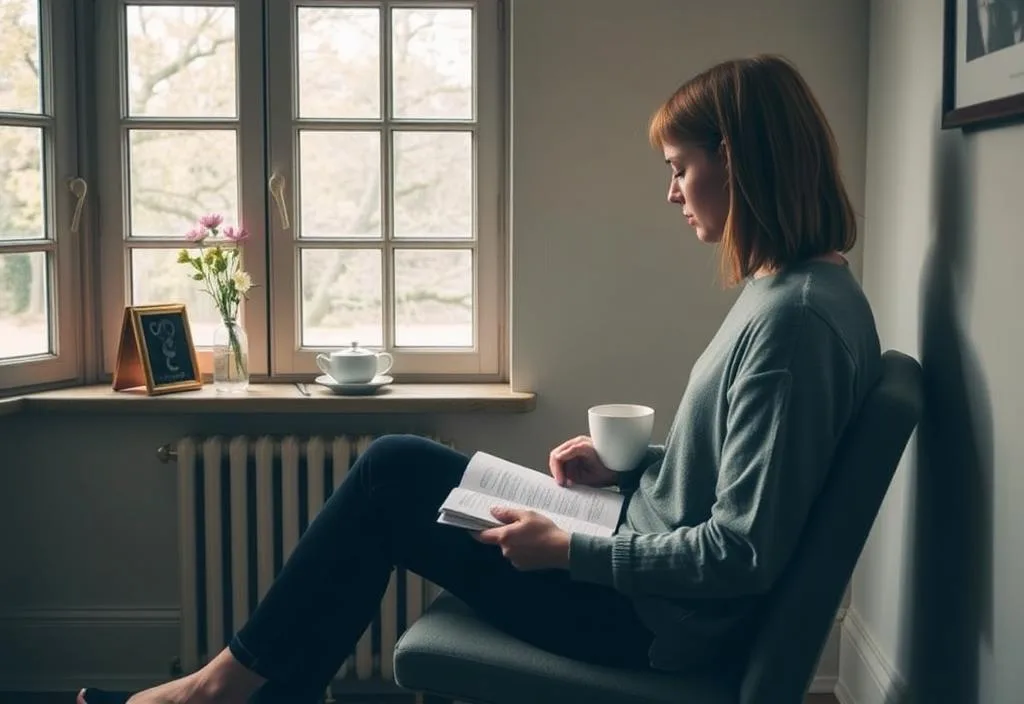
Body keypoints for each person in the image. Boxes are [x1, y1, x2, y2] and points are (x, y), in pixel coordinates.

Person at [80, 53, 881, 704]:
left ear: (734, 160)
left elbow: (742, 552)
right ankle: (235, 693)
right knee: (396, 468)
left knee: (393, 473)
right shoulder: (791, 292)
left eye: (679, 167)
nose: (670, 190)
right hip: (633, 558)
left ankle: (218, 692)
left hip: (643, 619)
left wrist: (569, 551)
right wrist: (640, 466)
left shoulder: (794, 321)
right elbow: (749, 479)